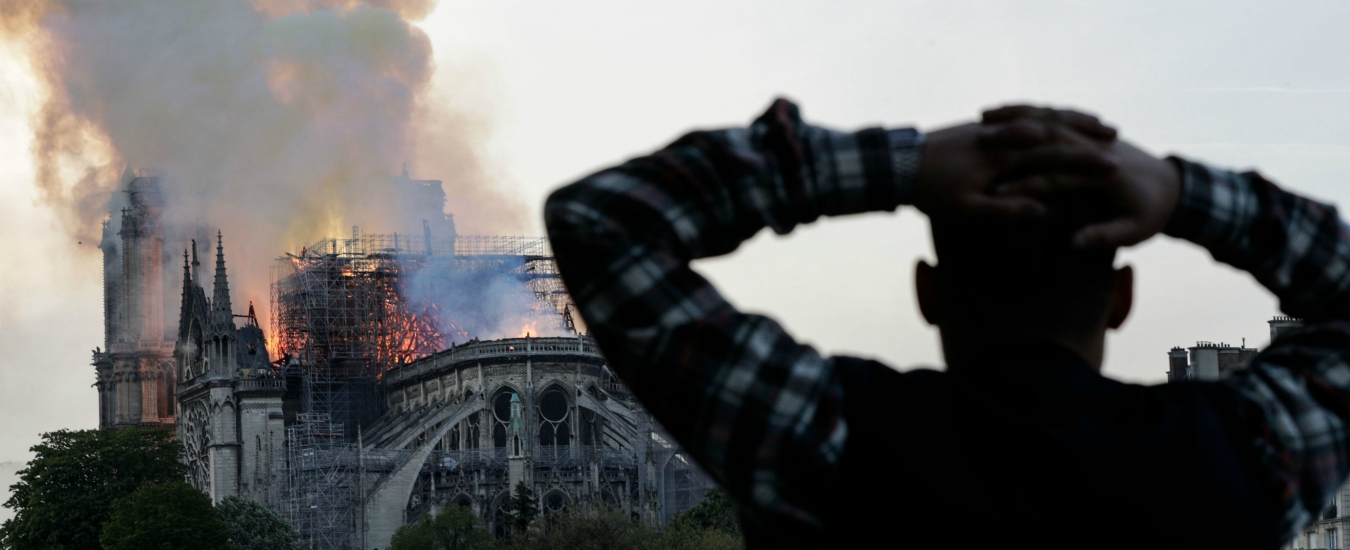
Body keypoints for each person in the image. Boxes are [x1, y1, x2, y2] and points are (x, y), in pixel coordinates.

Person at [543, 99, 1350, 549]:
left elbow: (602, 220)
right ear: (1120, 299)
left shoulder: (827, 435)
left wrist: (905, 165)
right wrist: (1180, 192)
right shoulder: (1238, 458)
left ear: (927, 291)